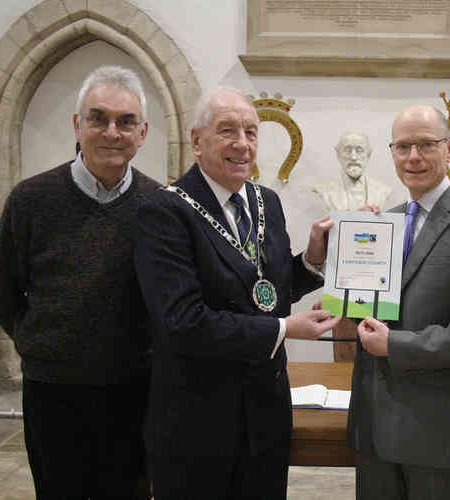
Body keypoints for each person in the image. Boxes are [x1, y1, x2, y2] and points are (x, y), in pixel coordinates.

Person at [134, 87, 341, 499]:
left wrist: (312, 260)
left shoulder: (267, 202)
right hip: (196, 420)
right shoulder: (165, 211)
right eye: (227, 130)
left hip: (265, 414)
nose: (242, 144)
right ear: (196, 141)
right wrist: (284, 329)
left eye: (251, 131)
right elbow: (182, 322)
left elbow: (266, 292)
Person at [0, 65, 160, 498]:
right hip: (54, 393)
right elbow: (2, 293)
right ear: (77, 125)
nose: (111, 132)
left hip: (135, 391)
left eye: (125, 122)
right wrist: (41, 345)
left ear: (142, 133)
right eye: (98, 118)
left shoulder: (161, 206)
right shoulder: (30, 200)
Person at [348, 104, 450, 500]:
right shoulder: (383, 222)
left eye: (426, 144)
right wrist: (344, 249)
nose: (414, 157)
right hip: (374, 425)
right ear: (392, 153)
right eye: (403, 146)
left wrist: (395, 345)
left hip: (437, 432)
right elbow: (363, 305)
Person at [312, 130, 392, 211]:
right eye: (347, 150)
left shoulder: (382, 190)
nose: (353, 157)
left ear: (368, 155)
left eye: (359, 150)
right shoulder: (324, 189)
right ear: (338, 154)